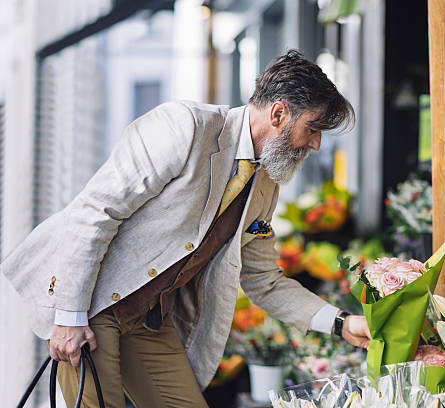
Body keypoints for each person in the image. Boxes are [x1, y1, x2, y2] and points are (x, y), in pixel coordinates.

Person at [1, 50, 370, 407]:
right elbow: (96, 211)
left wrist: (341, 323)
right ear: (279, 113)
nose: (317, 143)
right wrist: (69, 316)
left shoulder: (266, 184)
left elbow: (264, 280)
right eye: (313, 128)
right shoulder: (185, 127)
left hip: (150, 319)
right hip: (92, 304)